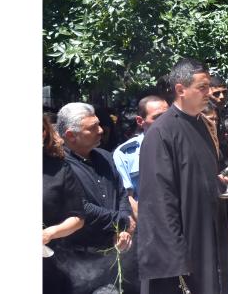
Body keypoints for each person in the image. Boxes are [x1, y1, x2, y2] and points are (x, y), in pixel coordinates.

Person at [137, 57, 228, 294]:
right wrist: (175, 259)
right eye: (202, 87)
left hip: (208, 235)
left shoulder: (204, 125)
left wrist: (223, 182)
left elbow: (201, 177)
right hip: (183, 246)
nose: (209, 93)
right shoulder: (161, 132)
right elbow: (158, 201)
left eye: (209, 86)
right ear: (181, 89)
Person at [57, 102, 135, 294]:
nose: (101, 131)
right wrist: (121, 220)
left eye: (99, 124)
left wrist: (124, 226)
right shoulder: (57, 165)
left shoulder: (105, 157)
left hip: (115, 252)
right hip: (79, 261)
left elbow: (121, 193)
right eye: (92, 128)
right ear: (70, 135)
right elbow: (79, 207)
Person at [42, 114, 86, 294]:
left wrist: (49, 233)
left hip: (50, 264)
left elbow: (78, 217)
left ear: (44, 133)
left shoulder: (60, 168)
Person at [113, 95, 169, 219]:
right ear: (140, 121)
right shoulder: (125, 153)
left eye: (168, 116)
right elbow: (127, 197)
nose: (165, 121)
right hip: (148, 221)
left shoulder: (182, 145)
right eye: (157, 117)